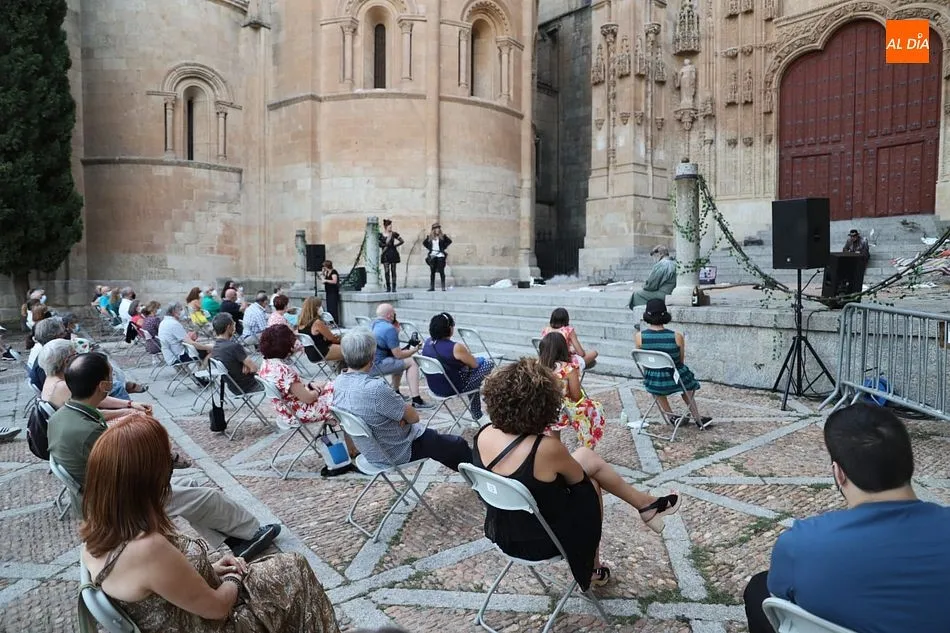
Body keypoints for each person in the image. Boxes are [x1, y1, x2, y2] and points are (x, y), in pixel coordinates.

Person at [78, 414, 339, 633]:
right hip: (216, 624)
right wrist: (235, 577)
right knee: (295, 570)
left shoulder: (97, 535)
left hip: (189, 611)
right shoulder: (147, 548)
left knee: (287, 565)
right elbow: (217, 608)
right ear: (149, 479)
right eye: (168, 462)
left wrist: (210, 568)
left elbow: (156, 586)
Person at [48, 352, 281, 559]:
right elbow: (131, 473)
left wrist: (127, 411)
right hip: (116, 503)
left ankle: (234, 539)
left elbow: (97, 416)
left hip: (97, 493)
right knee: (206, 496)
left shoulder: (63, 414)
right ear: (103, 386)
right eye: (111, 377)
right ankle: (252, 533)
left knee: (190, 485)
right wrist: (162, 460)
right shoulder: (89, 433)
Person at [474, 358, 682, 589]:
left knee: (585, 455)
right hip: (542, 541)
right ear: (543, 405)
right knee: (592, 484)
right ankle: (594, 566)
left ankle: (646, 505)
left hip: (506, 532)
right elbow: (579, 484)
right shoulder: (545, 449)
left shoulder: (483, 434)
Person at [743, 404, 950, 633]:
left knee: (758, 590)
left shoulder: (801, 543)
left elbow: (779, 591)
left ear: (838, 473)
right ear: (910, 462)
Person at [333, 329, 471, 471]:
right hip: (398, 450)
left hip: (371, 452)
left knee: (443, 445)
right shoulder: (375, 388)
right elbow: (413, 417)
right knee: (457, 445)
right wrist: (400, 417)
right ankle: (482, 478)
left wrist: (396, 416)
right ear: (372, 356)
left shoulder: (338, 382)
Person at [635, 299, 710, 428]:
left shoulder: (639, 336)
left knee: (656, 377)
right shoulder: (677, 336)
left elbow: (644, 362)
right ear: (665, 314)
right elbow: (680, 362)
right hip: (674, 380)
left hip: (653, 381)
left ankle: (670, 416)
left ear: (647, 315)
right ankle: (697, 418)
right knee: (686, 381)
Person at [40, 339, 151, 420]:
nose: (79, 356)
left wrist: (130, 404)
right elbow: (92, 414)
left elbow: (92, 399)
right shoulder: (62, 386)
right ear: (67, 361)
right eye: (76, 354)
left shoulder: (52, 378)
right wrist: (129, 411)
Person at [257, 325, 336, 429]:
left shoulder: (266, 364)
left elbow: (294, 391)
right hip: (300, 413)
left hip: (286, 411)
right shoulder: (284, 371)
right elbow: (309, 398)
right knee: (340, 396)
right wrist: (318, 390)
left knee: (331, 385)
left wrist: (313, 386)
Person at [421, 312, 494, 422]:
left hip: (435, 387)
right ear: (449, 328)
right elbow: (474, 364)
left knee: (473, 380)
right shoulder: (455, 347)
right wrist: (477, 358)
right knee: (488, 364)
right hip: (453, 387)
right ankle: (478, 414)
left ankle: (477, 415)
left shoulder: (427, 342)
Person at [538, 332, 605, 449]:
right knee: (594, 408)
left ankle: (555, 449)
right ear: (563, 348)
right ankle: (588, 447)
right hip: (562, 411)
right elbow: (576, 396)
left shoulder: (536, 366)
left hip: (541, 409)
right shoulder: (568, 369)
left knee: (554, 429)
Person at [370, 303, 431, 409]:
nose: (395, 315)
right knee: (412, 362)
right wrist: (414, 349)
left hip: (368, 363)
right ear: (389, 315)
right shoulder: (389, 328)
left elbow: (393, 353)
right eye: (394, 312)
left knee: (401, 362)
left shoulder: (373, 324)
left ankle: (396, 392)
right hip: (377, 365)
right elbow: (398, 355)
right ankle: (416, 400)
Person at [210, 314, 262, 395]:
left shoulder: (215, 348)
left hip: (234, 387)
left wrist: (244, 364)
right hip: (251, 385)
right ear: (228, 327)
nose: (234, 327)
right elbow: (254, 368)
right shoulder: (234, 347)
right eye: (233, 325)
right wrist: (247, 365)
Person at [628, 245, 677, 309]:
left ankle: (646, 314)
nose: (654, 258)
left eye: (654, 255)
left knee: (636, 295)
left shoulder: (662, 264)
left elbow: (651, 285)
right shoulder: (674, 263)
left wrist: (644, 286)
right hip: (672, 292)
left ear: (660, 254)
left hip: (664, 294)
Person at [296, 297, 343, 362]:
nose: (321, 308)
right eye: (320, 306)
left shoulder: (300, 323)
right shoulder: (317, 323)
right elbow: (332, 338)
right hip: (321, 352)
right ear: (316, 308)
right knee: (352, 350)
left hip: (311, 353)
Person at [423, 223, 452, 292]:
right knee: (432, 271)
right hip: (433, 255)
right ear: (433, 230)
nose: (437, 230)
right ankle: (432, 287)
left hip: (440, 254)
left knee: (441, 271)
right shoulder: (430, 237)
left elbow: (449, 241)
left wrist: (443, 248)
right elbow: (424, 243)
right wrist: (430, 249)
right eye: (436, 229)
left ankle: (443, 286)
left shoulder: (442, 237)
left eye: (438, 228)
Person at [378, 219, 404, 293]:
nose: (390, 227)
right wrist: (384, 245)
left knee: (393, 271)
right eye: (389, 226)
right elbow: (378, 244)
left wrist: (395, 245)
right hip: (385, 254)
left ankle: (394, 287)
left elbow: (402, 241)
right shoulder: (380, 235)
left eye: (391, 226)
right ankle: (388, 287)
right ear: (385, 227)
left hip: (393, 253)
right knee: (386, 271)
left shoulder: (394, 234)